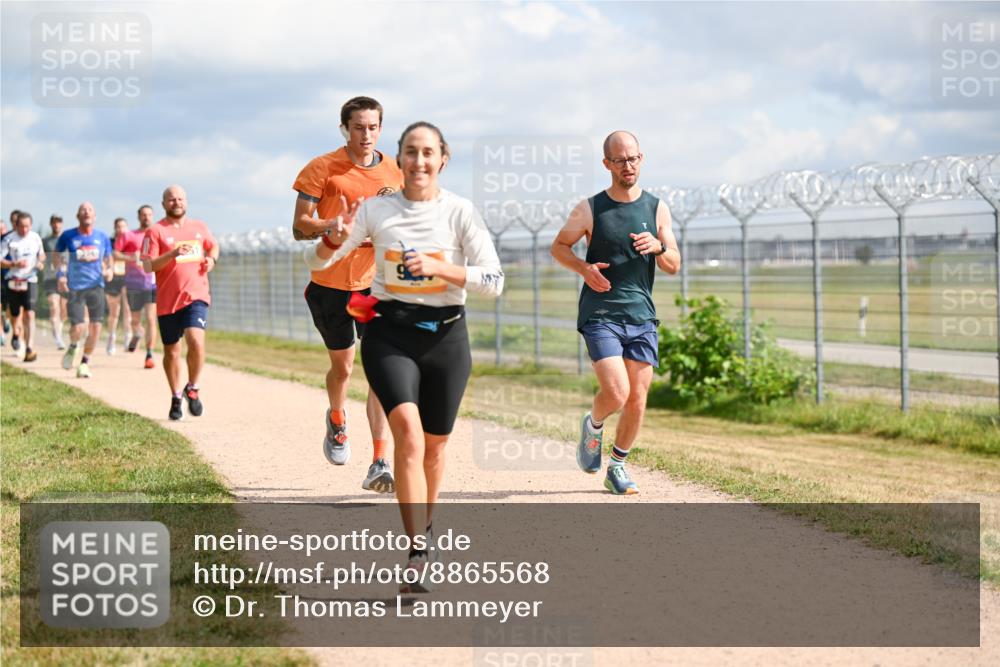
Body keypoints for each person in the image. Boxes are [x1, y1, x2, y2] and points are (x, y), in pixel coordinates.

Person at [305, 121, 504, 590]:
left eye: (428, 153)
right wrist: (333, 237)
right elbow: (317, 264)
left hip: (448, 340)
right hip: (389, 335)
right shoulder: (376, 210)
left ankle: (425, 528)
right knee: (410, 441)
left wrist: (441, 267)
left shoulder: (460, 212)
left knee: (435, 448)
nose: (419, 162)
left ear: (442, 159)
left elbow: (494, 283)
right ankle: (416, 551)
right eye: (410, 152)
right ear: (400, 158)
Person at [550, 131, 680, 495]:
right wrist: (583, 268)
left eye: (634, 158)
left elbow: (674, 264)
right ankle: (593, 426)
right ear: (607, 164)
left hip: (642, 314)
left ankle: (618, 466)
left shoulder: (657, 208)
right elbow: (559, 247)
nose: (629, 165)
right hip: (601, 310)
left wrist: (658, 246)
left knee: (637, 400)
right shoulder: (590, 208)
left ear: (642, 158)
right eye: (621, 160)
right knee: (618, 393)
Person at [292, 95, 402, 494]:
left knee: (379, 372)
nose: (366, 135)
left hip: (375, 288)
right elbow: (299, 227)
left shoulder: (395, 171)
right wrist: (332, 226)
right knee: (344, 369)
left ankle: (379, 460)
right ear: (345, 128)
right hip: (330, 288)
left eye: (373, 127)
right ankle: (337, 418)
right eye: (359, 127)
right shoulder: (322, 168)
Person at [142, 185, 219, 421]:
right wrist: (172, 255)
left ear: (186, 201)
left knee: (196, 341)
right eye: (171, 199)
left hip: (196, 295)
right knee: (172, 352)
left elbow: (213, 245)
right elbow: (147, 265)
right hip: (167, 301)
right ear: (164, 204)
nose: (176, 202)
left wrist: (211, 259)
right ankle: (176, 396)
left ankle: (193, 387)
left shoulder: (199, 227)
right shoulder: (155, 231)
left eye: (180, 198)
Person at [56, 202, 114, 378]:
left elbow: (108, 259)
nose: (86, 212)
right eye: (83, 210)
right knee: (79, 327)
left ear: (94, 216)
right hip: (75, 287)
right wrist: (60, 274)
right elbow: (57, 257)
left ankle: (84, 363)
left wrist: (109, 269)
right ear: (78, 216)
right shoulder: (68, 236)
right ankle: (73, 346)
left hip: (96, 286)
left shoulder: (102, 237)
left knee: (96, 327)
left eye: (90, 210)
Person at [0, 212, 45, 362]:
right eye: (21, 227)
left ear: (30, 226)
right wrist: (13, 264)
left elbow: (42, 255)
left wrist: (40, 262)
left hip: (30, 279)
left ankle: (29, 347)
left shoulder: (35, 238)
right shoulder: (9, 239)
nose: (24, 230)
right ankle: (16, 333)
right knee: (15, 314)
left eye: (27, 226)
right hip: (13, 279)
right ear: (16, 226)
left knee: (29, 313)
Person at [118, 204, 158, 368]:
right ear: (138, 217)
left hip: (151, 283)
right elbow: (115, 253)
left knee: (150, 318)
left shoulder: (156, 235)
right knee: (135, 320)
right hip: (133, 284)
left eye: (149, 215)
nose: (146, 217)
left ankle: (149, 354)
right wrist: (130, 258)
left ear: (152, 216)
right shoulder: (129, 235)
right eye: (143, 215)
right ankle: (137, 333)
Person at [104, 217, 132, 354]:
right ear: (115, 228)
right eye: (118, 226)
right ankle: (111, 338)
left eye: (123, 226)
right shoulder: (110, 243)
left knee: (127, 309)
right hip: (113, 278)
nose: (121, 229)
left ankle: (128, 338)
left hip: (128, 278)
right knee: (114, 312)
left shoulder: (131, 242)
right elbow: (106, 258)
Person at [42, 214, 68, 349]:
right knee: (54, 305)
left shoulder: (68, 239)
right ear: (51, 224)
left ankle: (60, 327)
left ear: (62, 224)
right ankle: (58, 338)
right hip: (51, 278)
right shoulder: (45, 241)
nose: (56, 225)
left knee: (64, 309)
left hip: (65, 278)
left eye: (59, 222)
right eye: (54, 222)